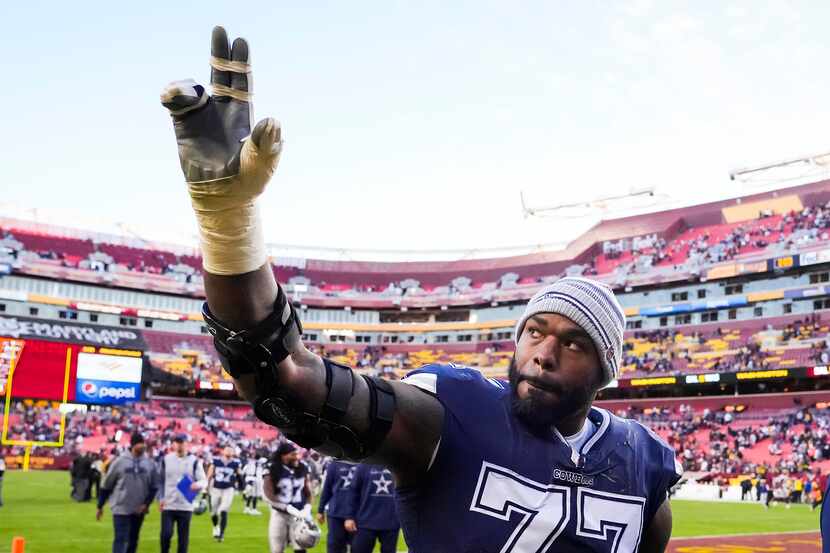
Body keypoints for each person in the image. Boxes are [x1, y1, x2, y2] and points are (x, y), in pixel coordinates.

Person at [160, 26, 681, 553]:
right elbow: (291, 382)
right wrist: (229, 226)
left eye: (573, 343)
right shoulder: (454, 412)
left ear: (606, 369)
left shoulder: (643, 459)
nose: (543, 355)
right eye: (535, 333)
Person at [96, 432, 158, 553]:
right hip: (120, 507)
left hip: (139, 508)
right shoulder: (119, 462)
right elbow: (107, 485)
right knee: (120, 539)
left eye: (143, 444)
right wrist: (100, 505)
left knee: (133, 540)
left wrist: (146, 504)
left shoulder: (149, 464)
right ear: (133, 445)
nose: (143, 447)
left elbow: (154, 487)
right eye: (140, 444)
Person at [159, 434, 208, 553]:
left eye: (182, 442)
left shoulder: (194, 461)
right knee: (165, 535)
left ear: (187, 444)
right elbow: (160, 480)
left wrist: (197, 484)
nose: (179, 445)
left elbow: (204, 481)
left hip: (185, 506)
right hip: (169, 504)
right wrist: (161, 498)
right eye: (177, 442)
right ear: (173, 444)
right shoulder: (166, 459)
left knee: (183, 539)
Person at [263, 442, 312, 553]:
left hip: (299, 514)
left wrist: (307, 507)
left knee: (301, 547)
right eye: (293, 454)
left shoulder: (302, 467)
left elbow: (308, 491)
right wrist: (286, 507)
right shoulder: (272, 468)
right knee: (277, 548)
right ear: (283, 455)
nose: (296, 457)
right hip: (279, 513)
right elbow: (268, 494)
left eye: (296, 454)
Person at [344, 464, 400, 553]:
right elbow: (353, 492)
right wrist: (349, 517)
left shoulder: (396, 463)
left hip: (391, 521)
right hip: (365, 522)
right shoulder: (363, 465)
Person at [317, 460, 356, 553]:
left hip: (357, 514)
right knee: (335, 547)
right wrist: (320, 510)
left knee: (358, 547)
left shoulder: (365, 464)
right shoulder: (334, 465)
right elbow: (327, 488)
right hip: (336, 513)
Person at [207, 445, 240, 542]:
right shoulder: (216, 461)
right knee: (213, 512)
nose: (229, 452)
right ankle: (215, 527)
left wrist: (241, 483)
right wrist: (205, 489)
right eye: (227, 450)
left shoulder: (235, 463)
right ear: (223, 451)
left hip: (228, 489)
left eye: (231, 450)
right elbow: (209, 475)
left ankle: (221, 534)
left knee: (223, 510)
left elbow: (239, 475)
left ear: (233, 453)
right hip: (216, 489)